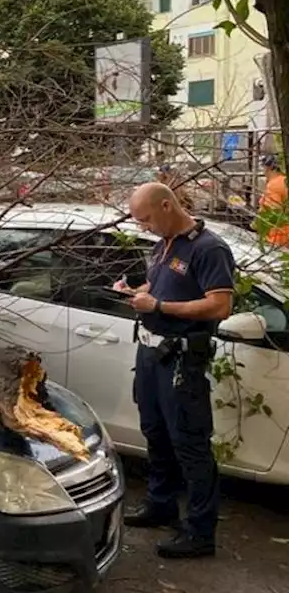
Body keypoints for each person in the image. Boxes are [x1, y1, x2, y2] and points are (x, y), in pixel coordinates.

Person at [112, 182, 235, 559]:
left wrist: (159, 306)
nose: (144, 226)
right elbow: (160, 285)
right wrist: (135, 292)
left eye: (146, 219)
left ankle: (200, 532)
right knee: (155, 432)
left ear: (167, 206)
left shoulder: (209, 248)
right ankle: (161, 503)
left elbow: (219, 306)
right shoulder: (162, 244)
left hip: (182, 359)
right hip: (151, 354)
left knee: (190, 442)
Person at [255, 154, 289, 246]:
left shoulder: (274, 185)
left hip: (278, 237)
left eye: (263, 166)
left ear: (268, 167)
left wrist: (257, 223)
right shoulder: (284, 180)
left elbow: (273, 213)